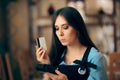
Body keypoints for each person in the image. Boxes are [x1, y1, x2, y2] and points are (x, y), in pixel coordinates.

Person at [35, 7, 108, 80]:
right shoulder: (57, 56)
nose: (60, 33)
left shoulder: (95, 58)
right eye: (57, 29)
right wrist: (47, 66)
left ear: (77, 28)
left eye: (65, 27)